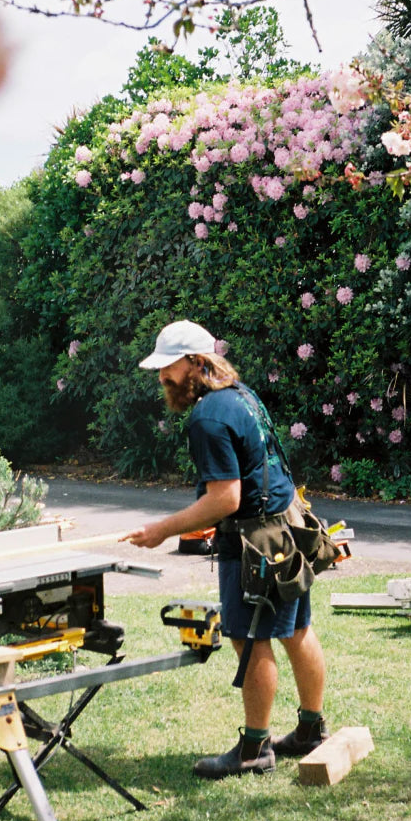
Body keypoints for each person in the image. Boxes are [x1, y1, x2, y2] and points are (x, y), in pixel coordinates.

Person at [120, 319, 329, 779]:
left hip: (254, 542)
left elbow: (224, 499)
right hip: (286, 529)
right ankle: (311, 730)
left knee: (249, 639)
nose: (162, 379)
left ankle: (255, 749)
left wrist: (162, 530)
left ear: (196, 362)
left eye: (168, 368)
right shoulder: (242, 396)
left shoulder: (208, 417)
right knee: (297, 630)